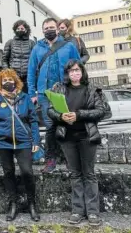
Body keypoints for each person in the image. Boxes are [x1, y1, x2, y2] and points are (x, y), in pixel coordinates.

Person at [47, 60, 106, 226]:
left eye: (77, 70)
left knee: (89, 174)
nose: (74, 73)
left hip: (87, 137)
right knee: (75, 174)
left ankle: (93, 212)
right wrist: (61, 116)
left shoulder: (91, 89)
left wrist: (79, 115)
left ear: (82, 72)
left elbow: (101, 111)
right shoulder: (60, 89)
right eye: (71, 71)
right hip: (67, 138)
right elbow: (50, 110)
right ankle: (78, 210)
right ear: (67, 74)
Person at [0, 69, 40, 222]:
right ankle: (13, 203)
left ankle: (32, 204)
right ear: (0, 83)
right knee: (8, 173)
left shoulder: (25, 97)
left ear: (16, 81)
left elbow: (33, 120)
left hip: (23, 141)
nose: (7, 82)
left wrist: (36, 140)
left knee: (27, 172)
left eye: (10, 79)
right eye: (4, 80)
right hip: (3, 142)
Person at [27, 17, 81, 173]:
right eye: (46, 29)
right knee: (50, 128)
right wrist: (32, 93)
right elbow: (31, 72)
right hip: (45, 94)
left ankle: (69, 159)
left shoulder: (69, 46)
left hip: (65, 92)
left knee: (67, 125)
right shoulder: (37, 48)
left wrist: (78, 87)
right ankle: (51, 160)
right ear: (42, 31)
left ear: (57, 29)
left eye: (51, 28)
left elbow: (78, 68)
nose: (49, 30)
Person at [2, 20, 36, 93]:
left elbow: (35, 61)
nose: (20, 30)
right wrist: (8, 73)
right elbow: (4, 59)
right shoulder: (10, 42)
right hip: (13, 77)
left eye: (22, 29)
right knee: (14, 98)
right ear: (15, 30)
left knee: (27, 99)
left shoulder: (32, 43)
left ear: (26, 30)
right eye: (18, 29)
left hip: (28, 77)